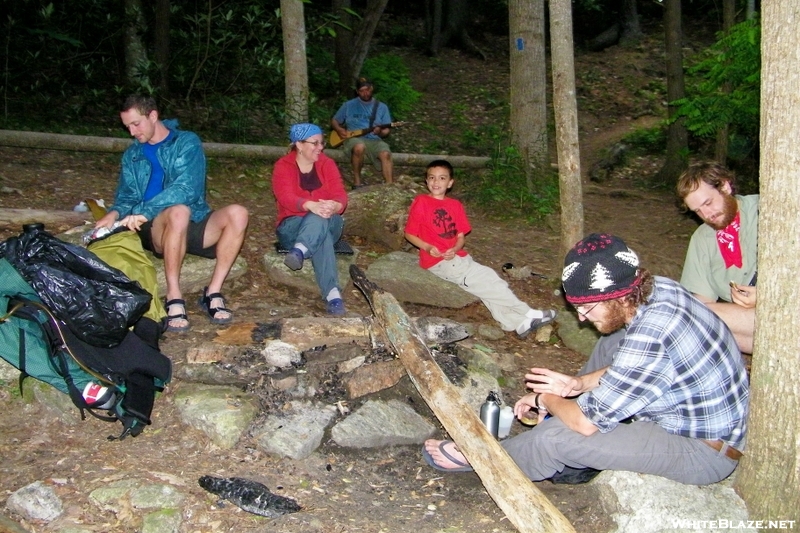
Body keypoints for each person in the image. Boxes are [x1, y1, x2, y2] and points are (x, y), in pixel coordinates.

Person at [422, 233, 749, 485]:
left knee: (556, 439)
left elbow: (584, 423)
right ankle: (577, 412)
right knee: (612, 342)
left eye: (587, 307)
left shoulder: (653, 333)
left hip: (701, 450)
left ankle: (481, 458)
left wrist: (546, 397)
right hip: (683, 407)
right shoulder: (656, 289)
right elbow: (642, 363)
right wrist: (577, 384)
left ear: (619, 296)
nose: (580, 318)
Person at [96, 95, 249, 333]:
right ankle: (174, 296)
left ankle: (213, 292)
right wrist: (113, 213)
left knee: (238, 213)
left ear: (153, 116)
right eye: (128, 127)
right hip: (155, 226)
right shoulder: (133, 155)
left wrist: (144, 211)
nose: (132, 132)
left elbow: (188, 188)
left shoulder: (186, 142)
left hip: (189, 217)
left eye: (136, 124)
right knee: (178, 211)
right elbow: (126, 196)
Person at [404, 160, 556, 338]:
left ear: (450, 183)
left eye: (442, 178)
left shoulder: (455, 205)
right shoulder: (422, 201)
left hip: (457, 257)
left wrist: (454, 248)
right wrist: (427, 247)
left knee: (485, 286)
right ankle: (529, 313)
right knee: (489, 278)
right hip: (439, 261)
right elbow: (409, 233)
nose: (436, 182)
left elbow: (460, 237)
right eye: (432, 178)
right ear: (426, 181)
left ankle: (517, 323)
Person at [677, 161, 758, 354]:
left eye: (708, 203)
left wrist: (768, 296)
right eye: (697, 211)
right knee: (692, 319)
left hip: (788, 309)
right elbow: (700, 302)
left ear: (725, 186)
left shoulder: (765, 209)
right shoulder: (702, 238)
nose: (706, 214)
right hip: (749, 326)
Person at [272, 123, 349, 316]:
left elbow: (340, 196)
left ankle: (300, 250)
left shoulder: (327, 164)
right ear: (298, 144)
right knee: (321, 230)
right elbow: (286, 198)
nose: (320, 147)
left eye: (321, 143)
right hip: (292, 226)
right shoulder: (283, 166)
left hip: (330, 222)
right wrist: (310, 205)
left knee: (322, 219)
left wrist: (335, 206)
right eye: (315, 143)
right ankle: (333, 295)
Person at [331, 77, 393, 187]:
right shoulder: (349, 105)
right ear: (357, 91)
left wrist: (380, 132)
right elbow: (335, 120)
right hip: (354, 138)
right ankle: (357, 182)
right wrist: (339, 129)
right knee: (359, 147)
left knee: (386, 153)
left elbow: (386, 131)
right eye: (362, 91)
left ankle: (389, 185)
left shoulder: (382, 107)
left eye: (367, 89)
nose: (365, 93)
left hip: (374, 140)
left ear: (372, 88)